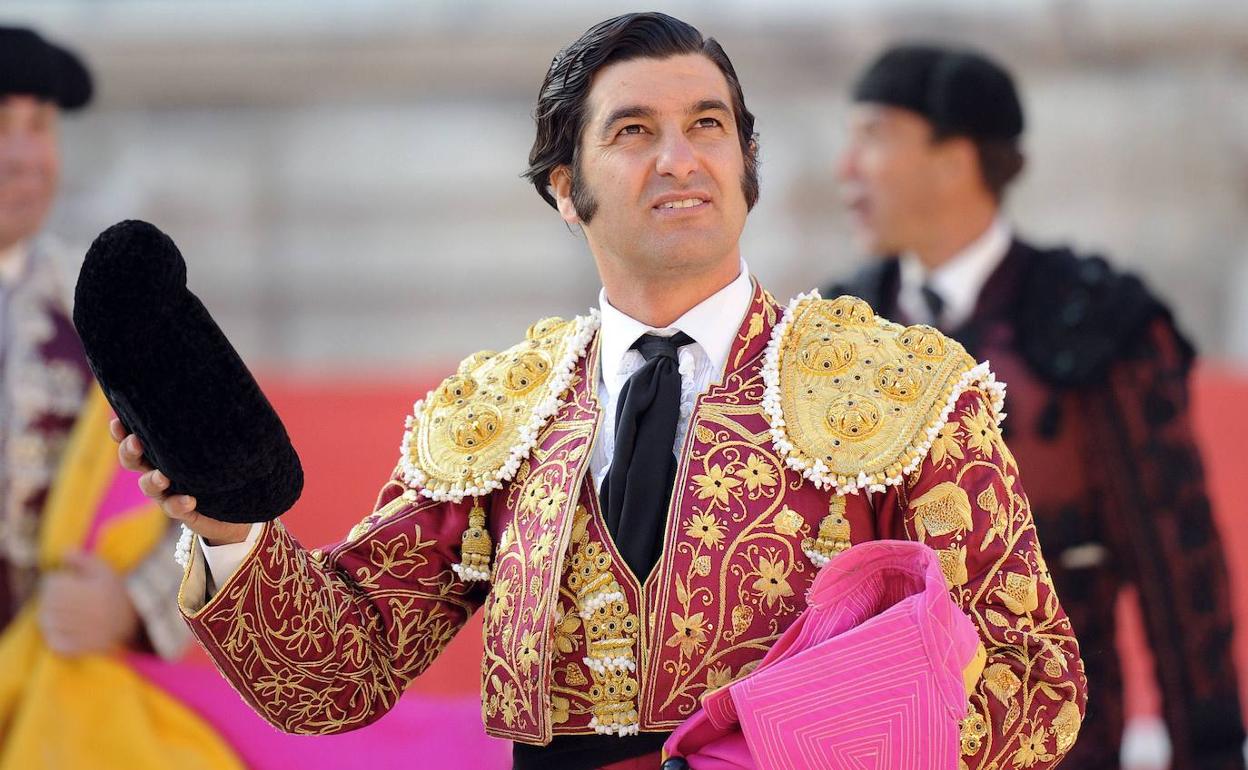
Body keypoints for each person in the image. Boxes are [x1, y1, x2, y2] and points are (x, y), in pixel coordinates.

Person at [117, 14, 1085, 770]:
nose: (680, 158)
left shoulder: (897, 387)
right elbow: (338, 673)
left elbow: (1036, 679)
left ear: (746, 167)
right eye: (633, 131)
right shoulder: (501, 412)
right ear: (563, 187)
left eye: (707, 125)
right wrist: (227, 523)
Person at [827, 43, 1245, 769]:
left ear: (954, 160)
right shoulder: (841, 327)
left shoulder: (1101, 322)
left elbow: (1180, 574)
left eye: (874, 136)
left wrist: (1207, 755)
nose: (846, 169)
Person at [0, 25, 188, 663]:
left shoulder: (107, 308)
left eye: (40, 125)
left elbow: (218, 509)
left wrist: (130, 605)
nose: (25, 156)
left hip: (58, 696)